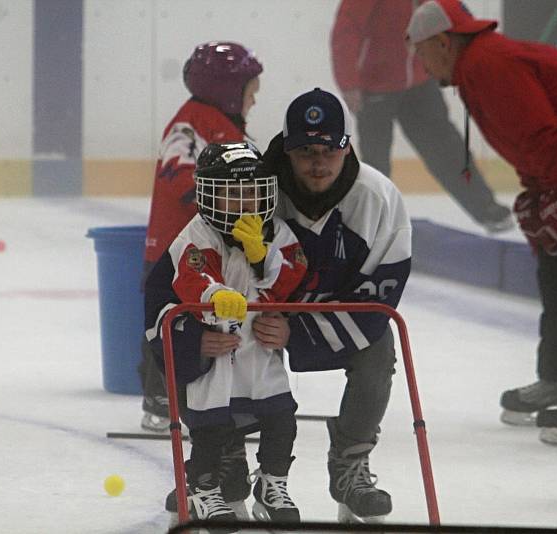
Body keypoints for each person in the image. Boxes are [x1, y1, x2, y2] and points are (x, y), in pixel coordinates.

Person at [407, 0, 557, 446]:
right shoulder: (478, 65)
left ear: (443, 43)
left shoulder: (488, 65)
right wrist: (538, 194)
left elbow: (542, 136)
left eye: (421, 54)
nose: (422, 67)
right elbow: (525, 141)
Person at [261, 88, 413, 523]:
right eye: (306, 150)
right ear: (286, 150)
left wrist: (299, 331)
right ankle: (220, 465)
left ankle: (350, 465)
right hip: (260, 314)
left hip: (324, 317)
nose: (318, 161)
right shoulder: (256, 191)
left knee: (378, 346)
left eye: (330, 148)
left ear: (347, 147)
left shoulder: (378, 197)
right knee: (230, 347)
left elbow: (379, 298)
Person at [144, 142, 308, 525]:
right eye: (234, 195)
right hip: (216, 353)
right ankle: (204, 490)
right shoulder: (197, 234)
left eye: (252, 193)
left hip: (259, 351)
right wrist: (214, 295)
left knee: (283, 417)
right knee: (210, 426)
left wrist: (260, 255)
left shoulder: (277, 233)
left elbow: (291, 277)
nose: (246, 203)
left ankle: (272, 483)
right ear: (210, 194)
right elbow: (192, 276)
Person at [139, 41, 263, 433]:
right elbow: (176, 164)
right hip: (176, 249)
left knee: (212, 317)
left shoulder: (225, 128)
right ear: (228, 91)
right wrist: (213, 199)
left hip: (210, 248)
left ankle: (221, 393)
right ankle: (161, 396)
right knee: (168, 316)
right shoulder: (189, 123)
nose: (253, 101)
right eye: (250, 92)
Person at [330, 0, 514, 234]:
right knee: (376, 162)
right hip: (373, 85)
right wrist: (349, 83)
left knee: (446, 147)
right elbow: (347, 28)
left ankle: (485, 208)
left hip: (420, 80)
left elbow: (451, 15)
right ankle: (370, 224)